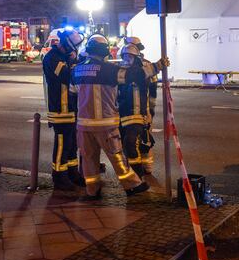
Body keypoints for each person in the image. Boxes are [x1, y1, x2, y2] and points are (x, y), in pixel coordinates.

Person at [71, 34, 168, 200]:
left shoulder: (76, 70)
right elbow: (133, 76)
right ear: (104, 51)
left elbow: (73, 95)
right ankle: (133, 186)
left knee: (88, 159)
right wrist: (157, 66)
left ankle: (92, 191)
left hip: (83, 125)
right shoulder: (108, 70)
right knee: (117, 157)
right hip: (105, 124)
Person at [42, 28, 85, 190]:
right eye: (74, 46)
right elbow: (66, 75)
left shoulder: (65, 56)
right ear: (67, 44)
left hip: (72, 108)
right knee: (62, 143)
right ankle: (59, 177)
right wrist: (74, 61)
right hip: (60, 109)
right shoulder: (52, 58)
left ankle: (72, 173)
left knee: (72, 143)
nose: (75, 50)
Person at [117, 43, 151, 181]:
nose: (127, 59)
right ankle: (134, 175)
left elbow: (145, 75)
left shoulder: (140, 72)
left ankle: (138, 175)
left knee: (131, 144)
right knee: (127, 147)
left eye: (130, 56)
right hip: (123, 115)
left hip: (137, 115)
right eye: (125, 56)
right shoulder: (120, 72)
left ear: (136, 58)